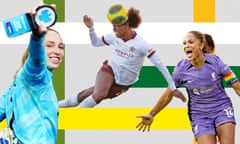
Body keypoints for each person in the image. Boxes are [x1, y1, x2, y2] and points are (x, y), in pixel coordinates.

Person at [58, 4, 185, 108]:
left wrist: (172, 87)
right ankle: (74, 117)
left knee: (86, 94)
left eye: (117, 27)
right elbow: (96, 43)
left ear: (126, 25)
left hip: (124, 83)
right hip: (109, 70)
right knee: (99, 94)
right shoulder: (113, 37)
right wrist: (91, 28)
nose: (114, 30)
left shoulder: (142, 44)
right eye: (113, 26)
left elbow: (160, 65)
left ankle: (56, 106)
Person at [136, 30, 240, 144]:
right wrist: (151, 114)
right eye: (184, 43)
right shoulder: (181, 69)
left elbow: (236, 87)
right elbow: (168, 94)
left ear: (201, 45)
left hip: (222, 108)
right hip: (199, 115)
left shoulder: (217, 62)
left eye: (190, 42)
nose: (186, 46)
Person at [0, 3, 65, 143]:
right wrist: (36, 37)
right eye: (49, 45)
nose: (58, 51)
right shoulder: (35, 75)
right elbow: (36, 61)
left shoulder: (18, 82)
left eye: (61, 47)